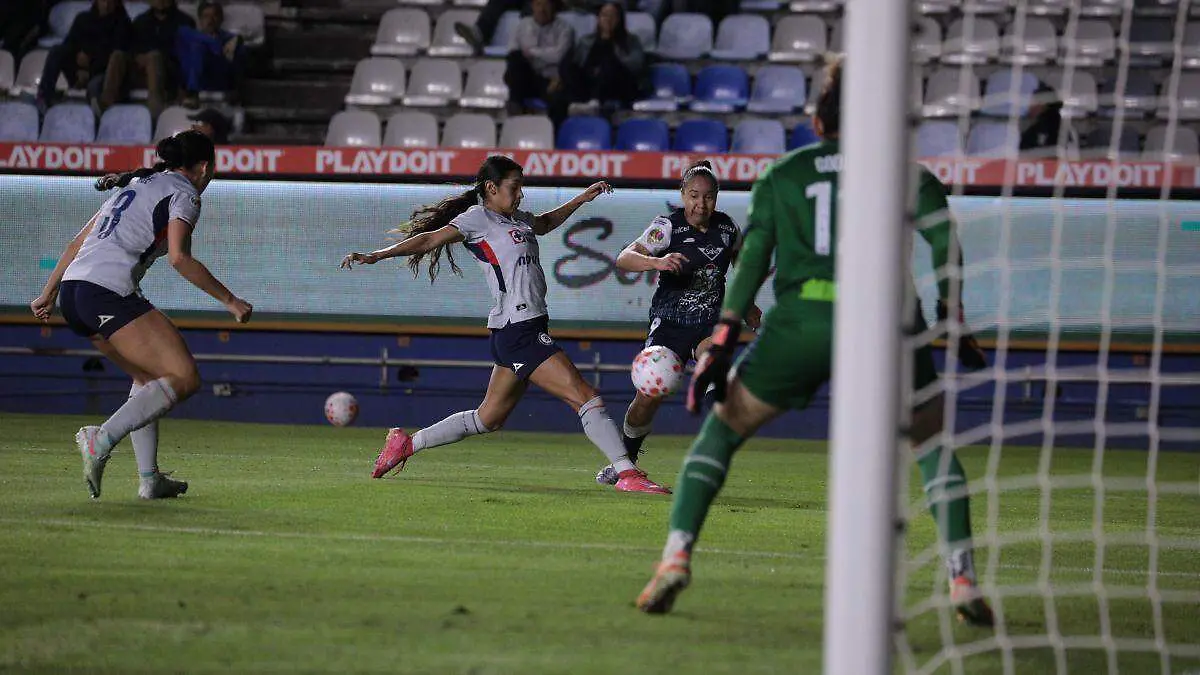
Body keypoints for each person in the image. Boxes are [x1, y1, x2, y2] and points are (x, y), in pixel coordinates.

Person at [635, 56, 995, 628]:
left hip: (803, 324)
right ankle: (962, 576)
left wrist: (722, 341)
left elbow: (753, 262)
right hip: (890, 324)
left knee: (722, 431)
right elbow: (943, 242)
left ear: (818, 122)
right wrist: (952, 317)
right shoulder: (909, 175)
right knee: (931, 445)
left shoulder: (785, 175)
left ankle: (675, 558)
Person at [339, 155, 670, 496]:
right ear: (491, 188)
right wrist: (377, 255)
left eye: (521, 187)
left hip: (519, 328)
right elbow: (429, 240)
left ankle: (407, 444)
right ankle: (627, 472)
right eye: (514, 187)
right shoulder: (477, 218)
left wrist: (581, 199)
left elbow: (545, 223)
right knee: (585, 397)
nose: (520, 194)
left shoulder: (518, 219)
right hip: (520, 330)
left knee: (487, 419)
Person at [29, 130, 253, 501]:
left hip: (74, 293)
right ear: (204, 167)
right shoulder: (184, 193)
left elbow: (77, 243)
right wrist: (231, 301)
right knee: (184, 377)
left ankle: (150, 479)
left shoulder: (136, 185)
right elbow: (180, 258)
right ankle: (101, 439)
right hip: (106, 291)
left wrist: (49, 292)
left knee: (149, 379)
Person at [594, 160, 760, 486]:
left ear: (716, 197)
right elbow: (625, 258)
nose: (701, 204)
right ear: (683, 195)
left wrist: (748, 304)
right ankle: (625, 462)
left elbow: (742, 268)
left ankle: (715, 451)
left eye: (708, 197)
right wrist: (656, 261)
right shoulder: (667, 227)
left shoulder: (727, 229)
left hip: (709, 322)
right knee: (647, 398)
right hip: (669, 325)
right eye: (694, 196)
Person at [36, 0, 133, 114]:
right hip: (79, 73)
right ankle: (44, 98)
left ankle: (97, 115)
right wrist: (77, 61)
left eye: (110, 2)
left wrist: (90, 67)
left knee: (94, 86)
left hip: (102, 74)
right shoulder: (83, 19)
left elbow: (117, 59)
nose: (106, 5)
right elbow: (69, 45)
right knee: (57, 51)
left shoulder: (123, 24)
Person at [109, 0, 195, 118]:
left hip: (169, 74)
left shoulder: (184, 22)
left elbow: (187, 57)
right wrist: (138, 57)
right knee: (118, 55)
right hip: (140, 73)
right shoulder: (141, 21)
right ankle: (106, 107)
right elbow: (131, 48)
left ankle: (155, 112)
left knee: (154, 57)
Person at [564, 2, 645, 115]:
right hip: (591, 81)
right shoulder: (587, 40)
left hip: (620, 84)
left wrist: (615, 49)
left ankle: (595, 102)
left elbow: (636, 64)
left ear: (619, 20)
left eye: (612, 16)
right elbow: (578, 64)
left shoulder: (631, 40)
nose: (608, 19)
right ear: (598, 19)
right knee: (567, 63)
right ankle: (575, 102)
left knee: (609, 61)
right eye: (604, 15)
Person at [503, 0, 573, 125]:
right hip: (525, 77)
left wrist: (532, 52)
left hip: (550, 81)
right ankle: (515, 118)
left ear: (553, 7)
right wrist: (544, 54)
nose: (542, 9)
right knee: (516, 59)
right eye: (538, 4)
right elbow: (512, 51)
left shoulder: (565, 28)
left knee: (559, 99)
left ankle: (553, 133)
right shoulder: (522, 25)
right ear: (532, 6)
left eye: (546, 5)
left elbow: (558, 55)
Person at [174, 0, 244, 107]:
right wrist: (215, 44)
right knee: (196, 46)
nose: (210, 20)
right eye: (206, 16)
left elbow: (235, 62)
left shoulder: (229, 38)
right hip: (193, 78)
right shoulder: (190, 35)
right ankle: (191, 93)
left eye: (214, 16)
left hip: (217, 78)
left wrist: (238, 40)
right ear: (200, 19)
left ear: (221, 19)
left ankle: (192, 94)